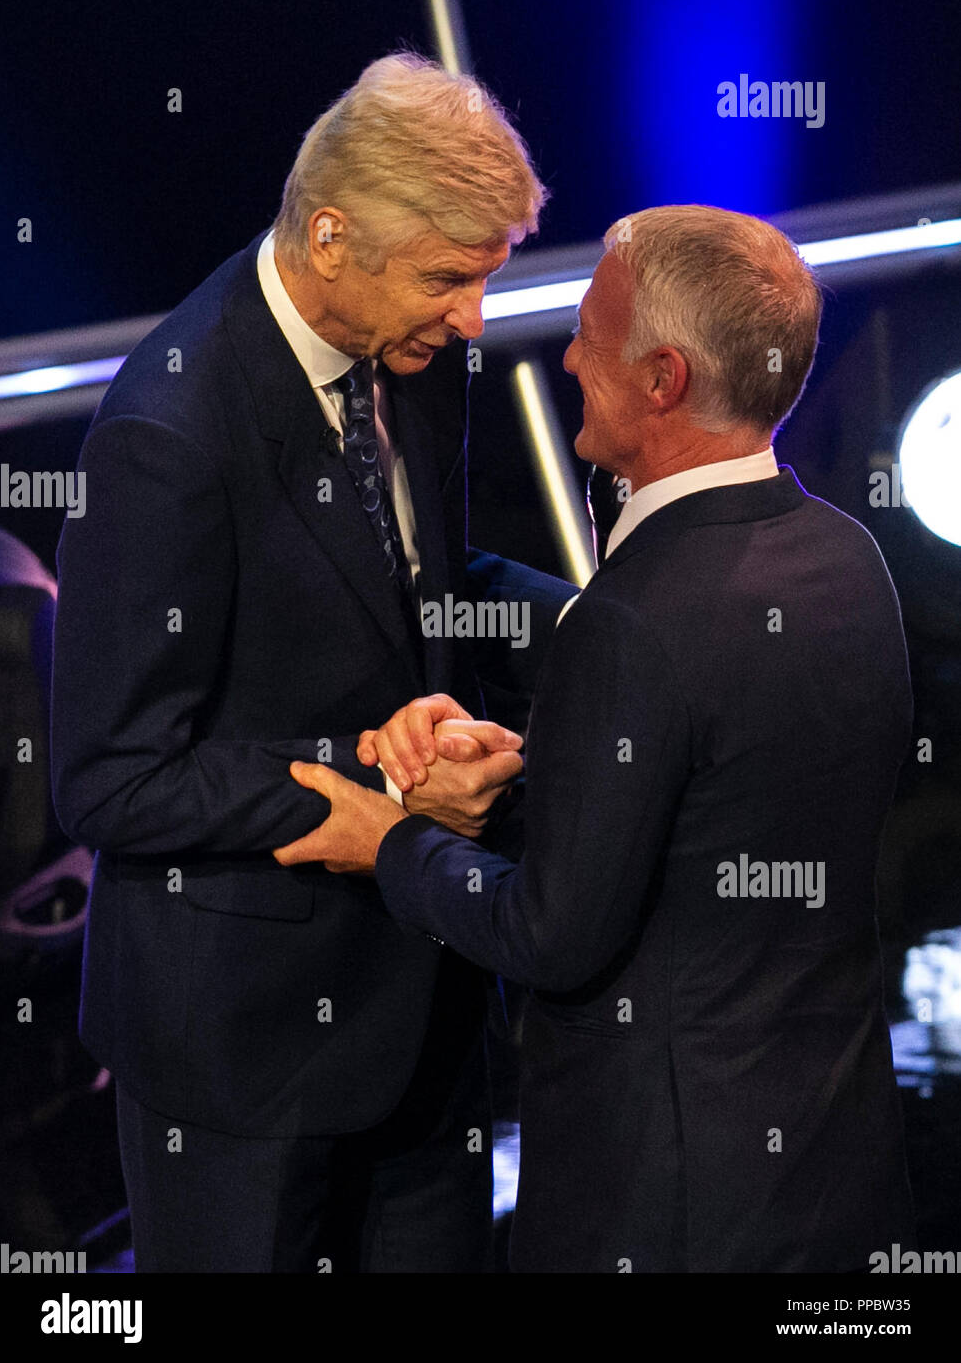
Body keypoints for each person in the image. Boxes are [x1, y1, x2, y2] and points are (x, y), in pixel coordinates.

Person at [277, 204, 919, 1272]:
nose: (568, 353)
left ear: (662, 378)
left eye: (588, 329)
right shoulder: (846, 558)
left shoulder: (635, 625)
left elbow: (549, 935)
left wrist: (382, 838)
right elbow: (714, 794)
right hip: (830, 1172)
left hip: (661, 1203)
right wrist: (542, 765)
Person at [50, 53, 572, 1273]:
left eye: (486, 279)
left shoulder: (412, 356)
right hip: (239, 1050)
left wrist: (620, 630)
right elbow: (112, 779)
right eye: (451, 278)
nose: (474, 320)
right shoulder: (163, 437)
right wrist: (380, 779)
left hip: (426, 1007)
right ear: (330, 236)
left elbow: (422, 584)